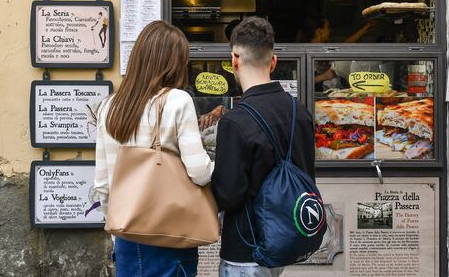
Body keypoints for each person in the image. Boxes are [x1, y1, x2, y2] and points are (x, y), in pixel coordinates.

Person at [94, 20, 214, 277]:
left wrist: (118, 227)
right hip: (170, 235)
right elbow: (200, 172)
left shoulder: (108, 106)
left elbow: (103, 185)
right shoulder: (178, 101)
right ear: (173, 63)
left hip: (126, 236)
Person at [211, 17, 315, 277]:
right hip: (282, 244)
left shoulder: (234, 122)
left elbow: (229, 194)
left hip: (245, 249)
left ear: (234, 59)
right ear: (273, 61)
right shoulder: (299, 112)